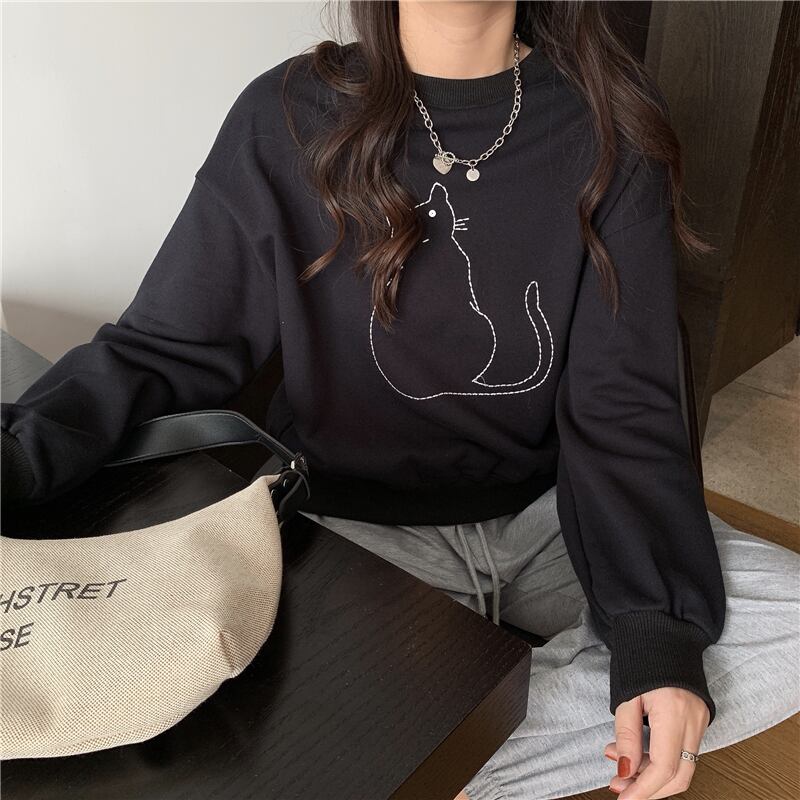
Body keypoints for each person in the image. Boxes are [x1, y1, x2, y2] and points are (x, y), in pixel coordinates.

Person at [2, 2, 798, 798]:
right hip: (355, 533)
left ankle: (430, 754)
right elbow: (166, 345)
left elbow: (625, 399)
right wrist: (20, 455)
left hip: (553, 515)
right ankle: (452, 742)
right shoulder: (286, 116)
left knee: (780, 621)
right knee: (291, 726)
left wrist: (655, 631)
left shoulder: (611, 123)